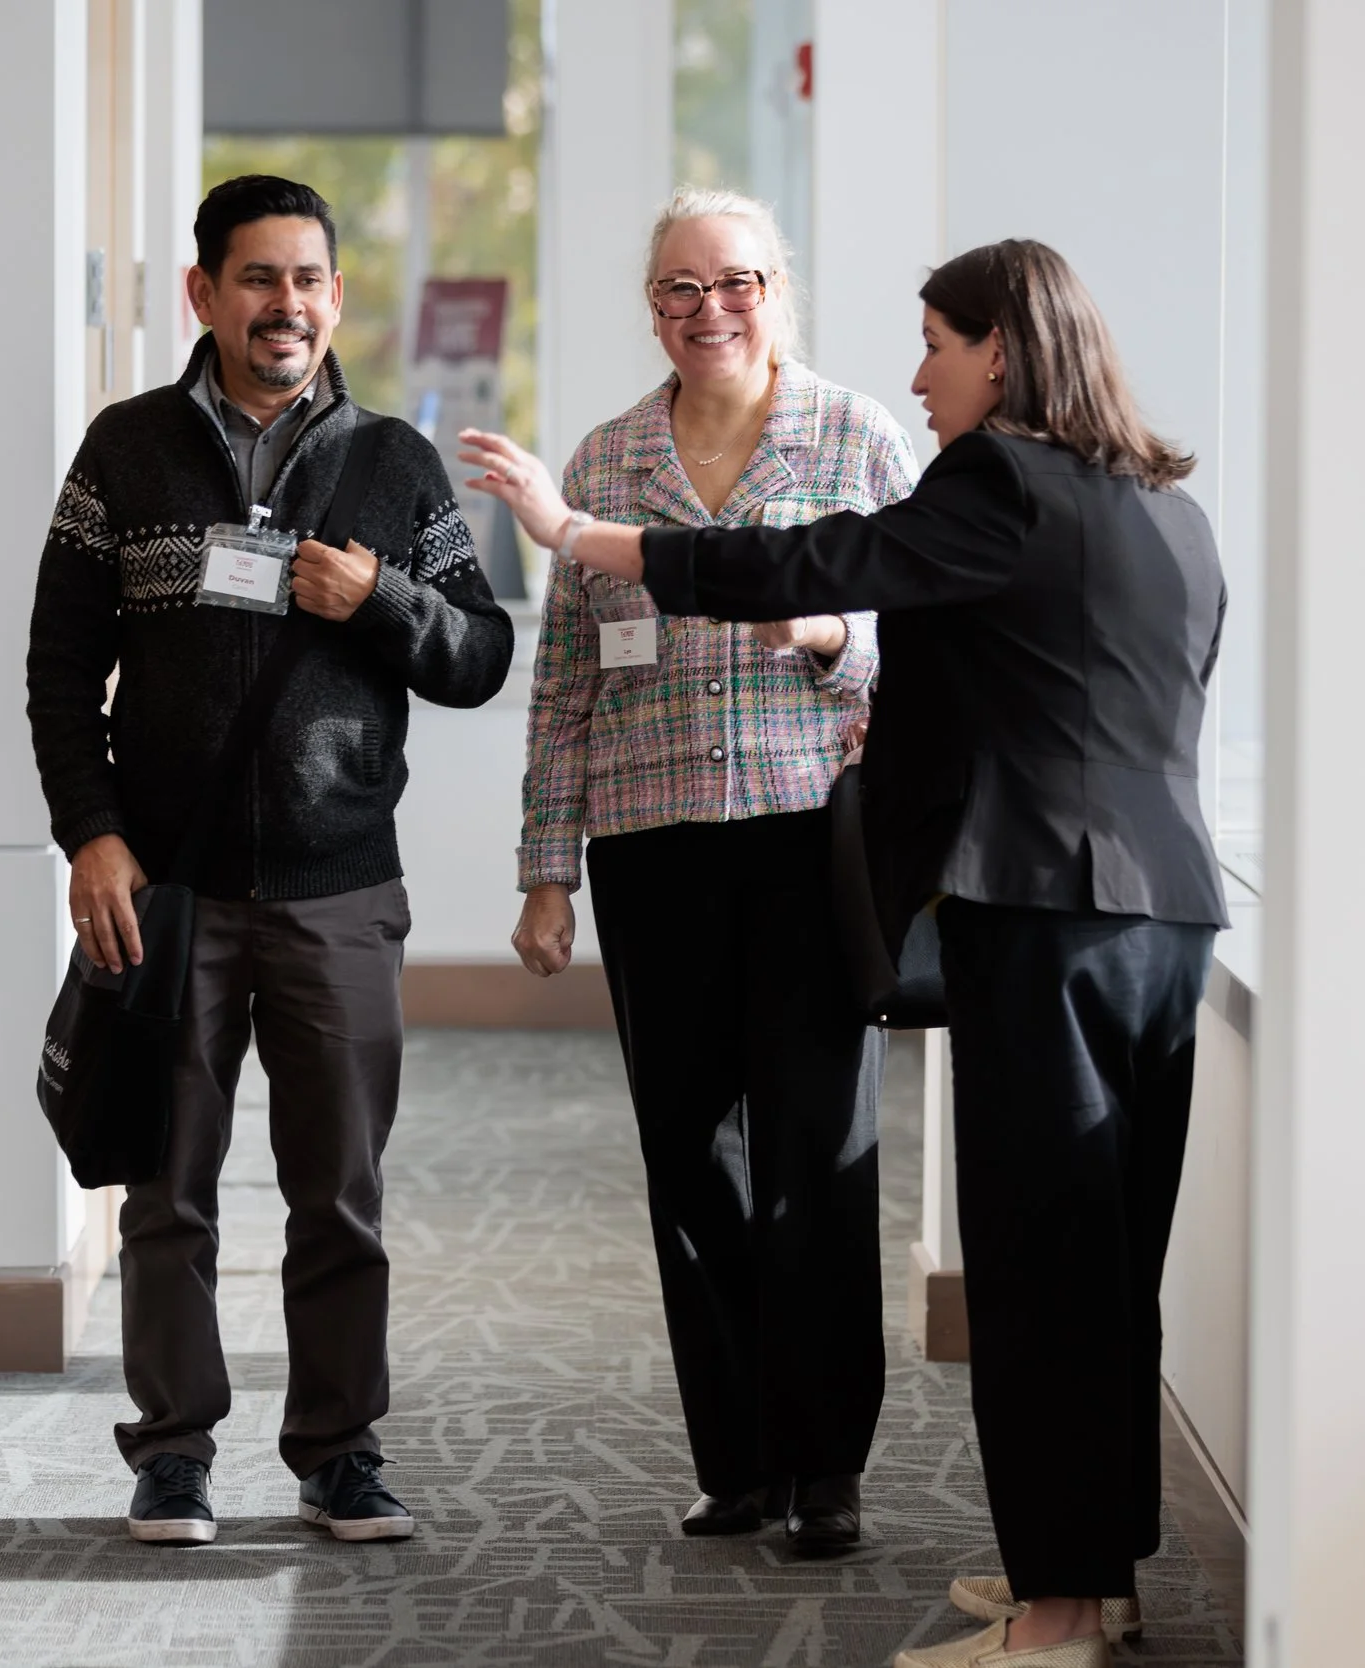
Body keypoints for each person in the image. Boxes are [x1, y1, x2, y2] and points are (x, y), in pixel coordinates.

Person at [459, 239, 1227, 1668]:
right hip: (1164, 920)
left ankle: (1059, 1615)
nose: (922, 373)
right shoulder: (1163, 504)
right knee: (1110, 1271)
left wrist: (584, 539)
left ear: (1005, 350)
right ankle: (1095, 1578)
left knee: (1038, 1268)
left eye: (938, 342)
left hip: (1045, 923)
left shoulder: (994, 478)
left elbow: (815, 561)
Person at [25, 174, 514, 1549]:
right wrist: (93, 837)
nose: (282, 304)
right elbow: (59, 669)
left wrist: (384, 601)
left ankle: (339, 1450)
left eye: (306, 279)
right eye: (255, 278)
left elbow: (481, 658)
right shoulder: (124, 452)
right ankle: (172, 1451)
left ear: (335, 298)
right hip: (170, 889)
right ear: (202, 295)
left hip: (339, 887)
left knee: (338, 1195)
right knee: (167, 1192)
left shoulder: (394, 466)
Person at [510, 187, 918, 1554]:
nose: (709, 310)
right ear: (653, 306)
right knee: (689, 1151)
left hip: (813, 840)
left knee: (821, 1146)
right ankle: (737, 1458)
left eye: (734, 281)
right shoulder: (609, 460)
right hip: (652, 844)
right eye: (681, 288)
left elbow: (928, 630)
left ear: (776, 289)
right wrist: (546, 870)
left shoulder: (856, 433)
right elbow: (565, 680)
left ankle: (827, 1464)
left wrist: (832, 640)